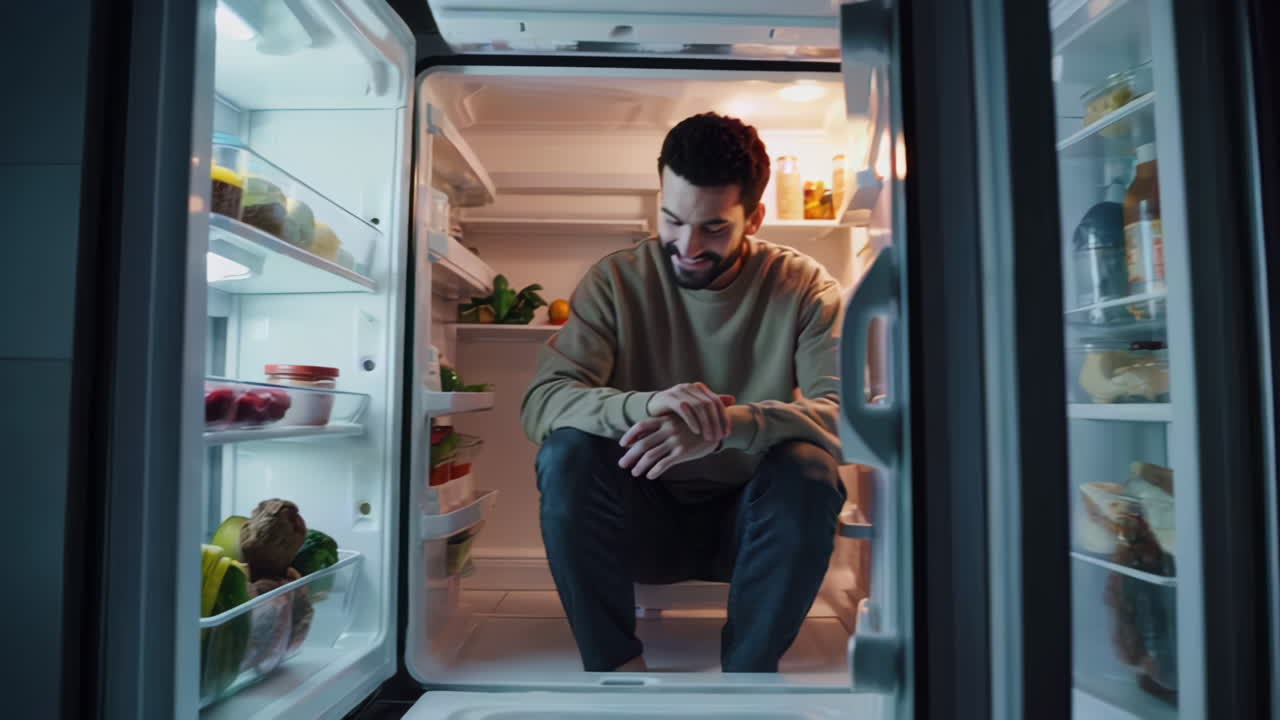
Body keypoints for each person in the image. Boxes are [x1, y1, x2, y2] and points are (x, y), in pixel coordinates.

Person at [520, 112, 845, 674]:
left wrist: (724, 428)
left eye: (714, 228)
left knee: (811, 469)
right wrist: (646, 405)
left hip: (752, 529)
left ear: (755, 217)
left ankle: (748, 676)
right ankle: (614, 669)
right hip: (642, 520)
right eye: (671, 220)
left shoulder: (804, 286)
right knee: (565, 453)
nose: (687, 246)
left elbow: (847, 416)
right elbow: (542, 402)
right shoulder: (616, 281)